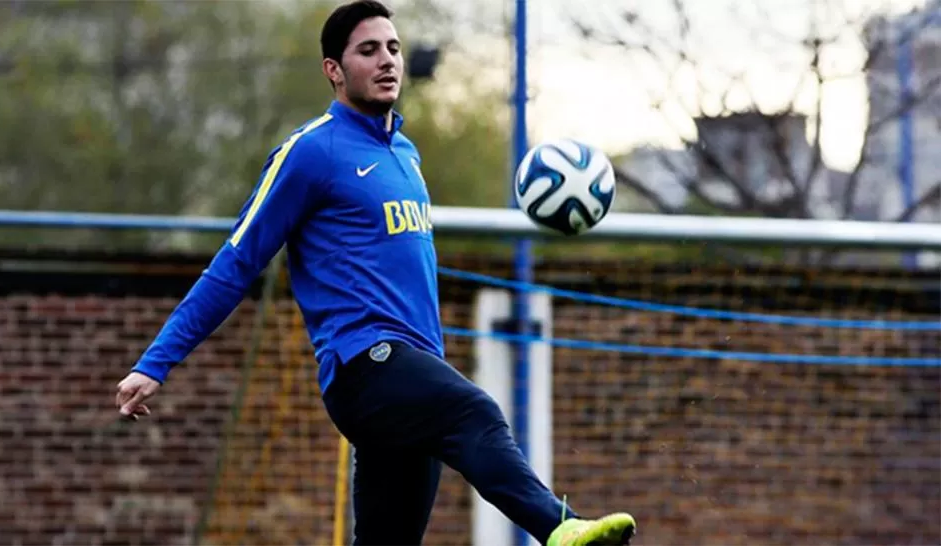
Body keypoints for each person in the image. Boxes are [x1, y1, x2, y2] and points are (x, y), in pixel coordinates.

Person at [113, 1, 636, 544]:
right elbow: (236, 262)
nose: (387, 61)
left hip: (411, 374)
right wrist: (157, 361)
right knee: (476, 411)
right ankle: (559, 528)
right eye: (368, 51)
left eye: (393, 48)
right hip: (364, 366)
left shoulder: (406, 155)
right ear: (333, 70)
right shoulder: (310, 152)